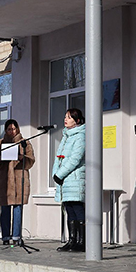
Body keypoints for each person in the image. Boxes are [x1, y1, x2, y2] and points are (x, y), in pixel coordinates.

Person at [0, 120, 35, 245]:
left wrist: (23, 158)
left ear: (18, 129)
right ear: (5, 130)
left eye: (14, 129)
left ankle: (16, 237)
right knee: (5, 210)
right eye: (9, 129)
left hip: (19, 180)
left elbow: (31, 161)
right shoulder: (0, 143)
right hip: (5, 181)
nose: (12, 131)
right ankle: (6, 236)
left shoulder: (24, 142)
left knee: (18, 208)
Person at [53, 108, 86, 252]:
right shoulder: (66, 136)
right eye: (65, 117)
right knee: (69, 210)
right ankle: (72, 241)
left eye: (69, 117)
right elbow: (59, 158)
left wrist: (60, 174)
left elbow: (75, 158)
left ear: (77, 120)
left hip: (75, 178)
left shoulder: (81, 136)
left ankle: (82, 242)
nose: (65, 119)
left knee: (77, 209)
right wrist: (56, 174)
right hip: (65, 179)